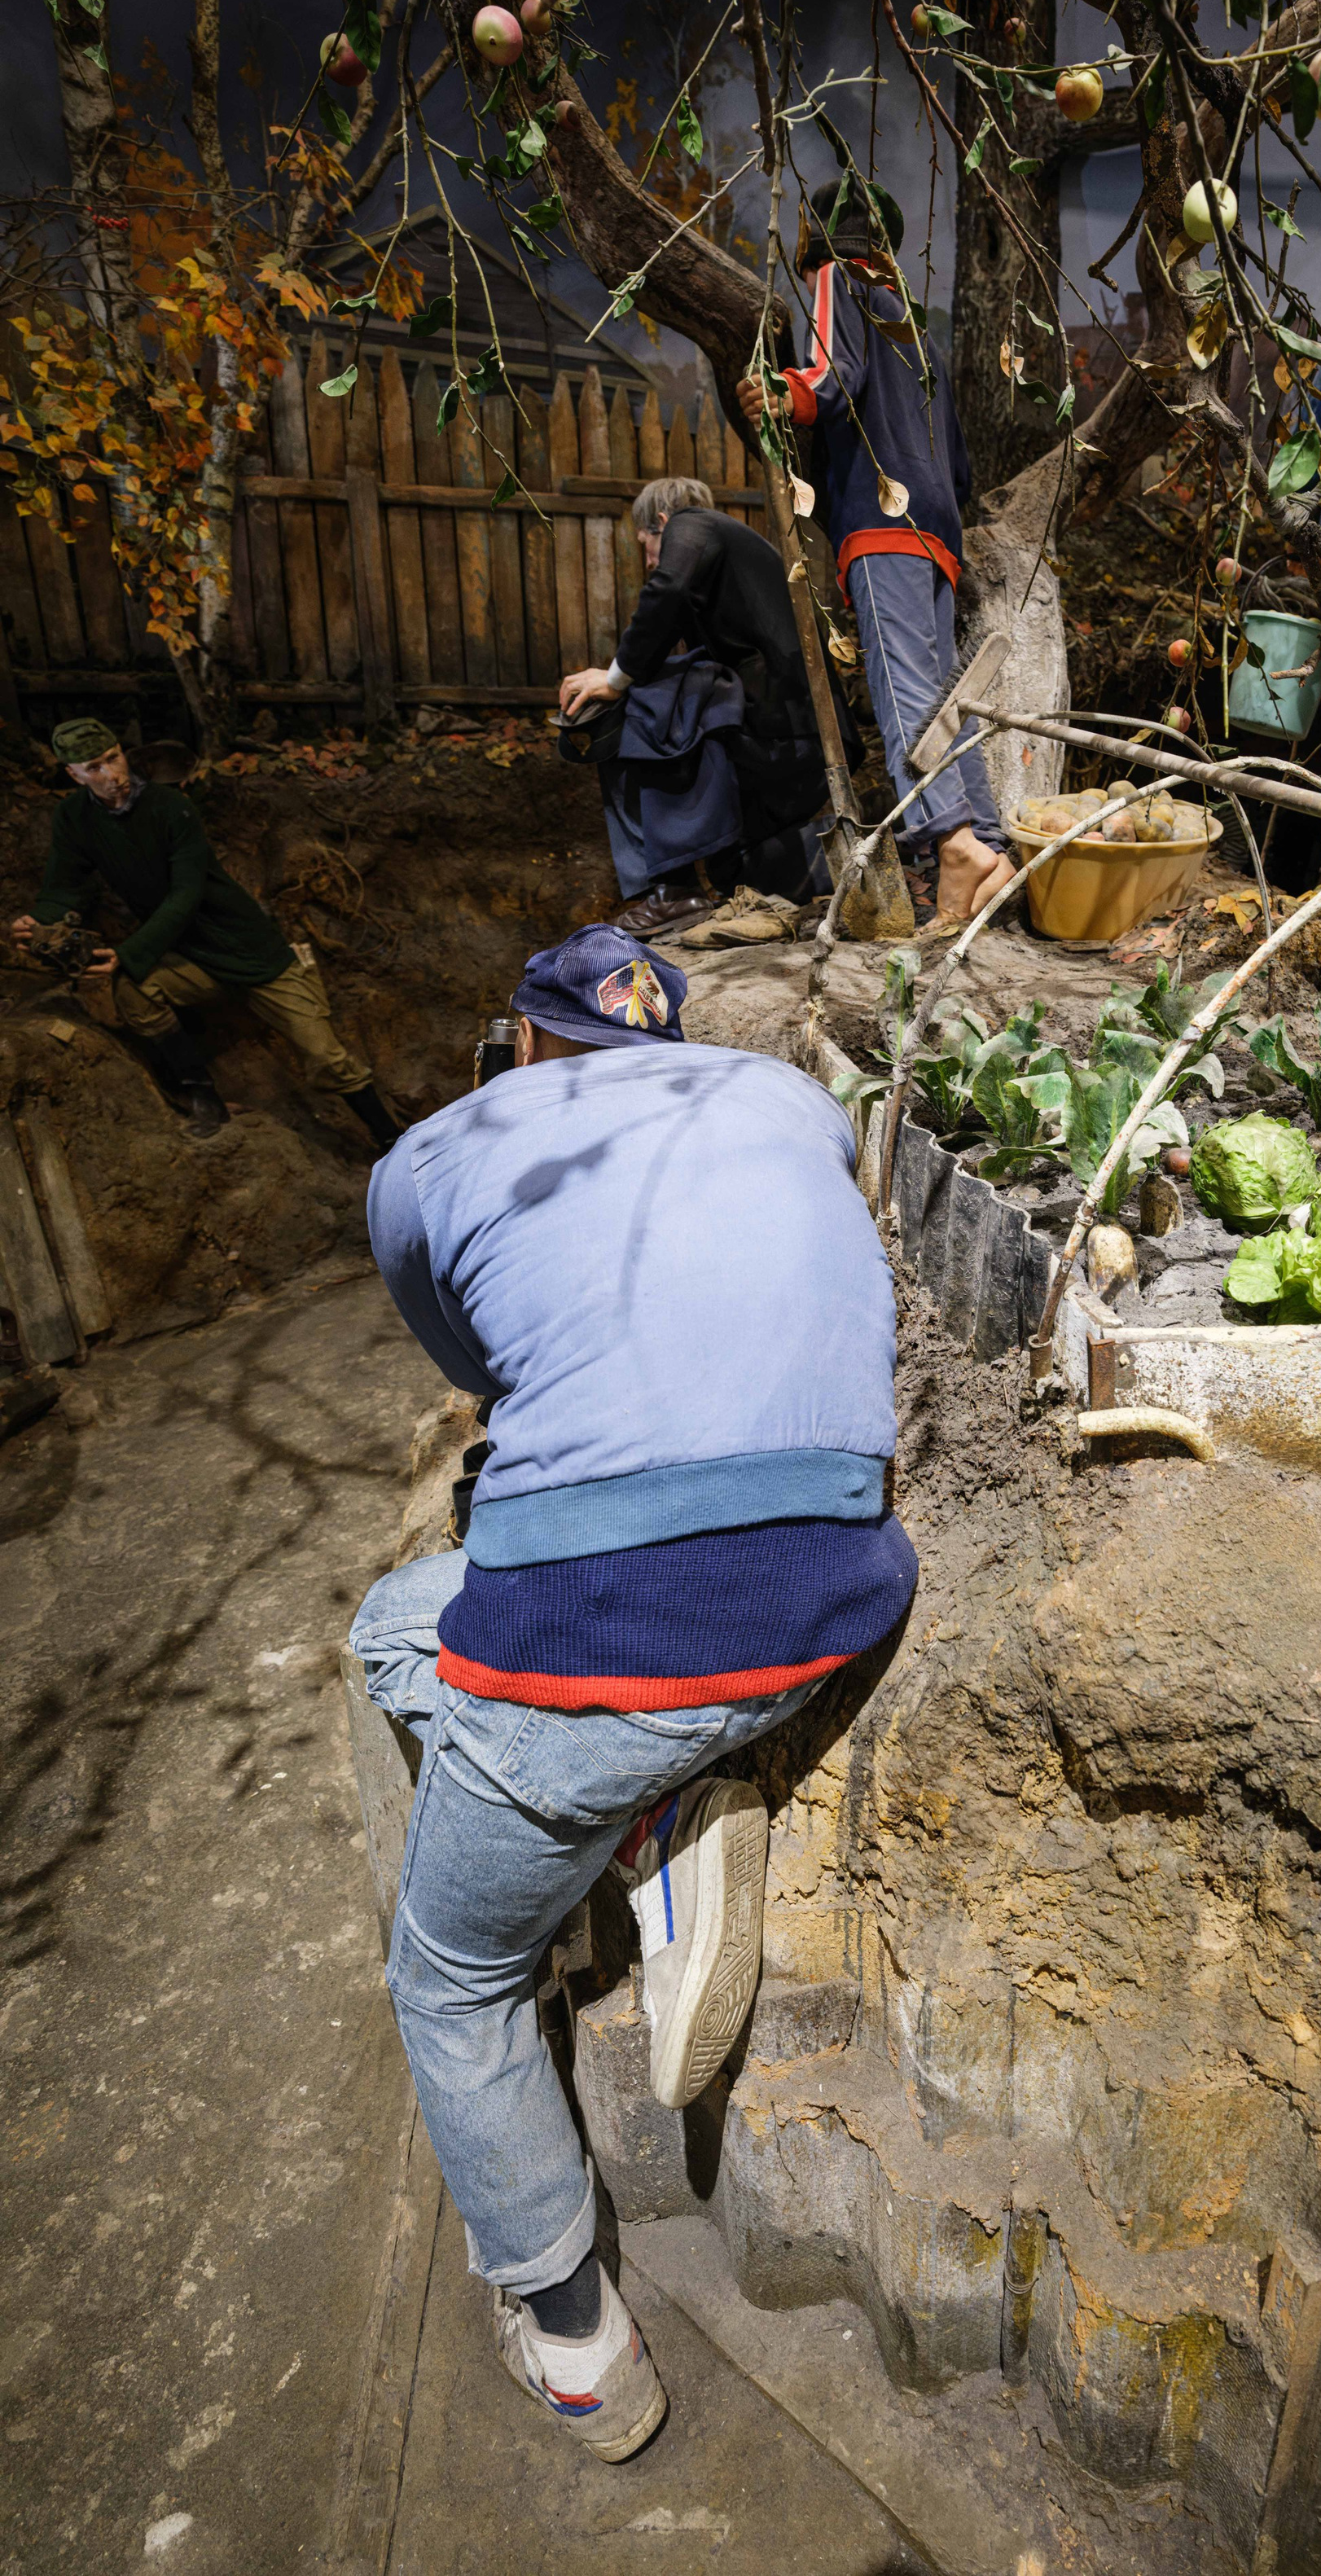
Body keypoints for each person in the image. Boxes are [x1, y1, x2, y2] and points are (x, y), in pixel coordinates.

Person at [353, 922, 915, 2465]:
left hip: (601, 1637)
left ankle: (577, 2336)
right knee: (430, 1628)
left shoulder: (435, 1151)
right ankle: (653, 1809)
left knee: (451, 1973)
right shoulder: (786, 1095)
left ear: (525, 1042)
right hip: (842, 1590)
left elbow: (478, 1360)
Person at [733, 174, 1016, 927]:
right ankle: (989, 847)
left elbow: (832, 376)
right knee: (943, 697)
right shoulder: (916, 333)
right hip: (938, 531)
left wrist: (782, 389)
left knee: (903, 693)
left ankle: (953, 844)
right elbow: (958, 465)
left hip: (884, 521)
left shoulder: (839, 280)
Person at [11, 717, 401, 1148]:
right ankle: (204, 1099)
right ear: (74, 775)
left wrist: (129, 951)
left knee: (326, 1056)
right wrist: (41, 920)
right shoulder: (74, 817)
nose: (113, 774)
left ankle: (391, 1139)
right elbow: (65, 885)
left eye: (114, 758)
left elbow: (186, 895)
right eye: (95, 767)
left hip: (251, 952)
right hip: (189, 956)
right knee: (134, 991)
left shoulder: (170, 808)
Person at [556, 476, 836, 933]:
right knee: (737, 873)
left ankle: (670, 891)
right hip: (797, 727)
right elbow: (673, 620)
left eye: (646, 545)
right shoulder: (725, 560)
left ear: (663, 522)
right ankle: (695, 880)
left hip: (780, 723)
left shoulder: (693, 526)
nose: (648, 561)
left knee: (630, 709)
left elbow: (665, 593)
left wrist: (613, 679)